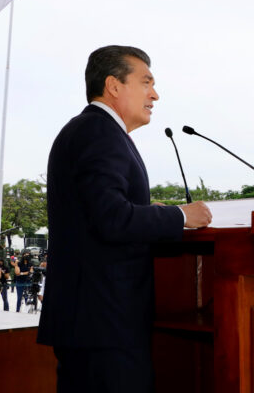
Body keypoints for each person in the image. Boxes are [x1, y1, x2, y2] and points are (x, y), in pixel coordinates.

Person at [37, 46, 213, 392]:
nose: (155, 94)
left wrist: (152, 210)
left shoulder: (94, 131)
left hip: (94, 321)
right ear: (114, 86)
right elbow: (112, 219)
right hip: (103, 323)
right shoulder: (99, 133)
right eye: (146, 82)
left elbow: (99, 213)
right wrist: (180, 216)